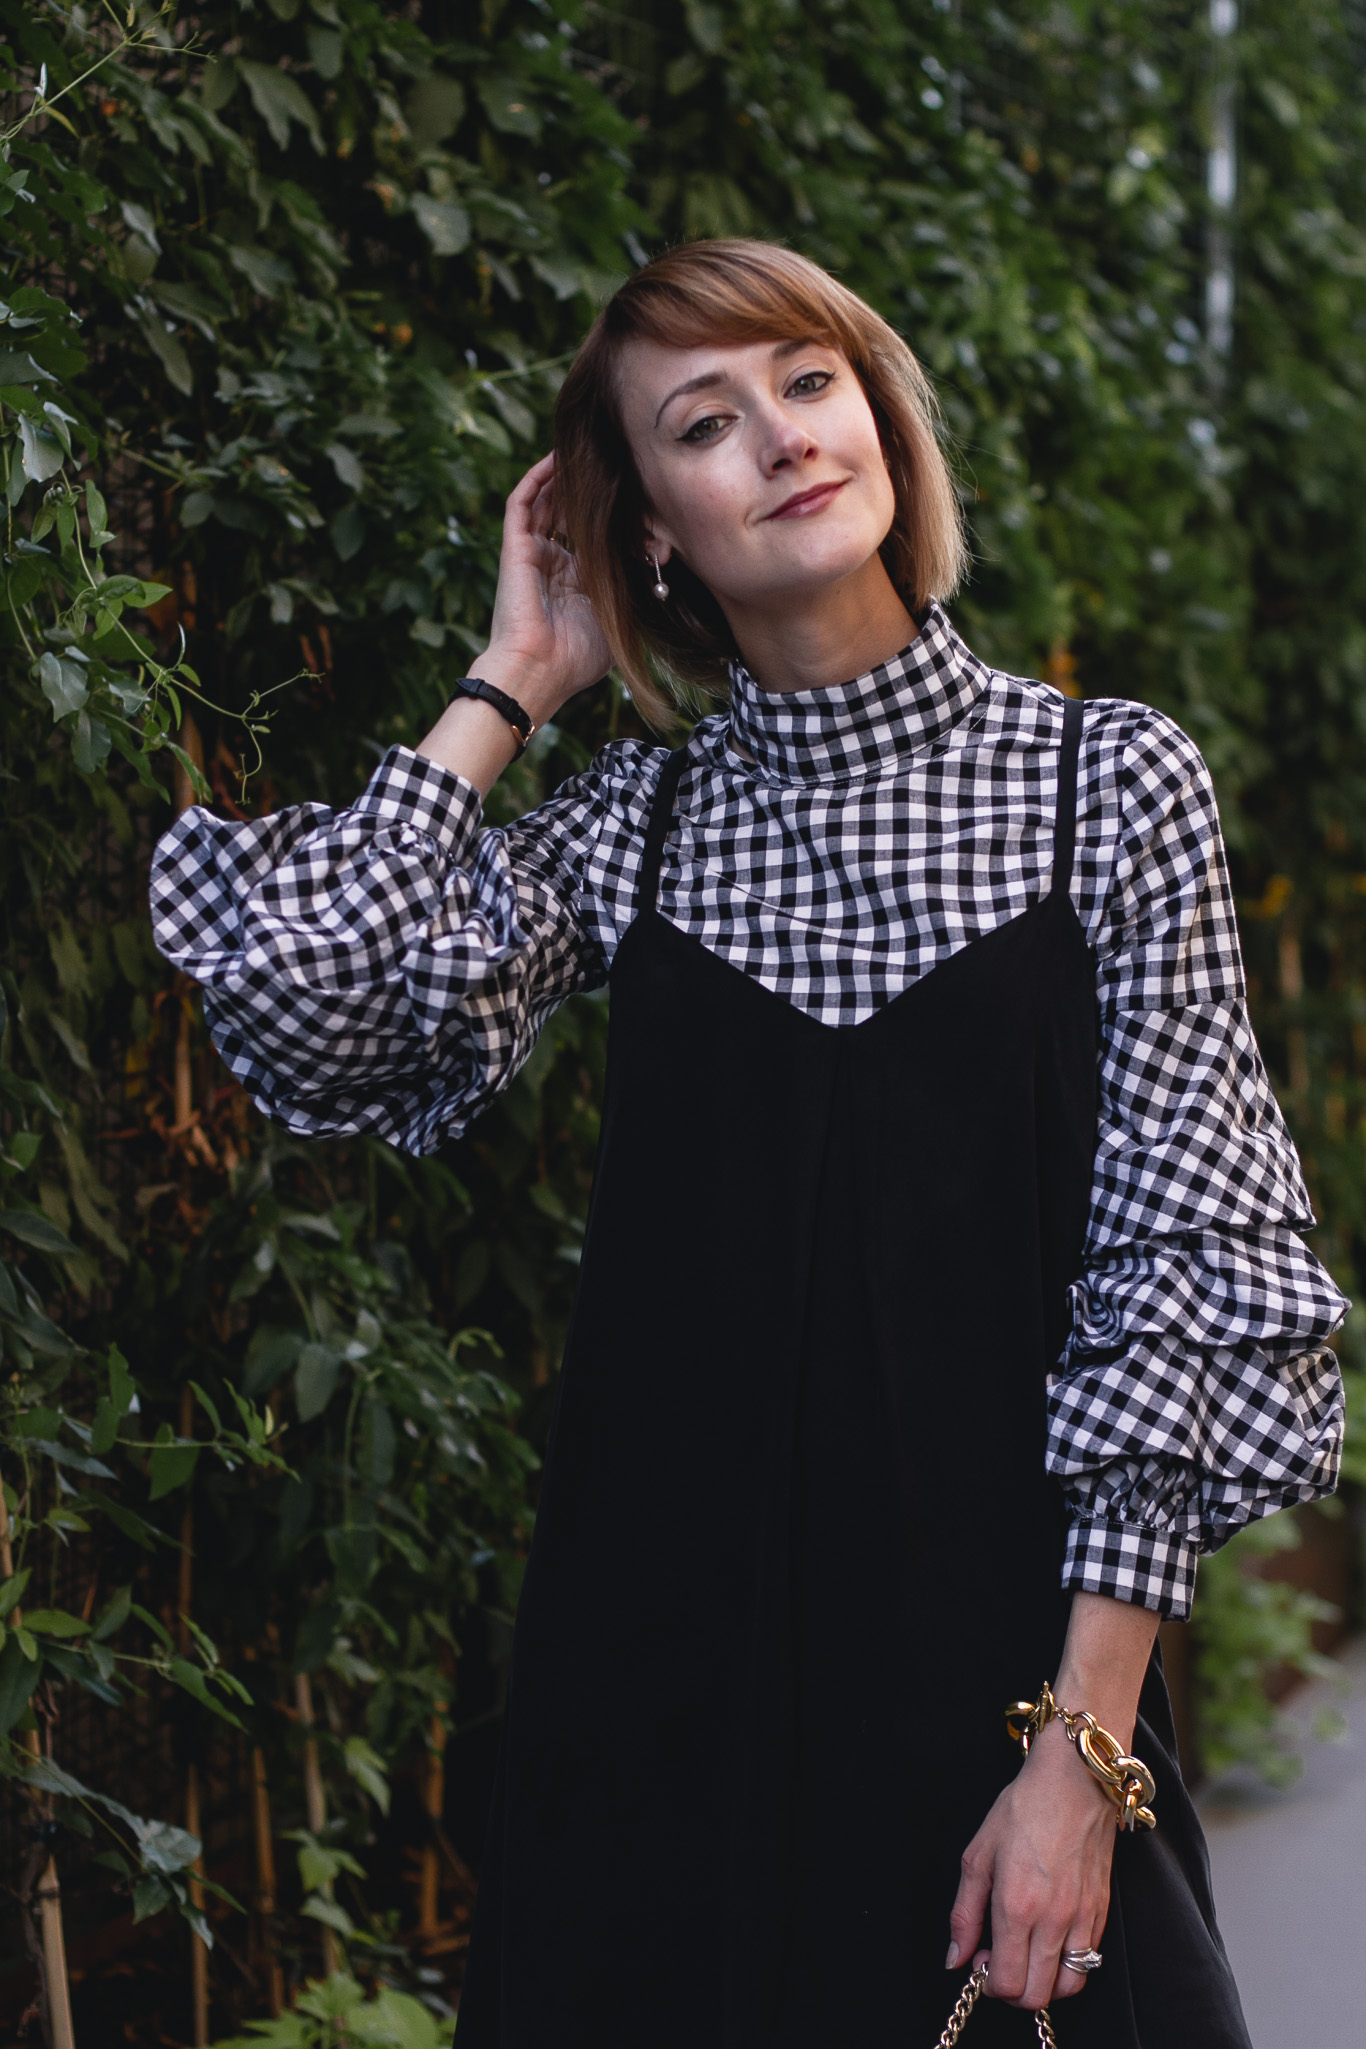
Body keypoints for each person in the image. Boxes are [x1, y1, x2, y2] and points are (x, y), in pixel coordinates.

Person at [151, 240, 1346, 2046]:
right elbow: (317, 1011)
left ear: (879, 415)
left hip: (996, 1721)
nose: (782, 438)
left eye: (807, 380)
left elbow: (1178, 1276)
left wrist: (1078, 1760)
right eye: (703, 423)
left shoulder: (1105, 784)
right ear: (645, 525)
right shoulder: (636, 824)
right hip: (649, 1730)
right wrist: (509, 681)